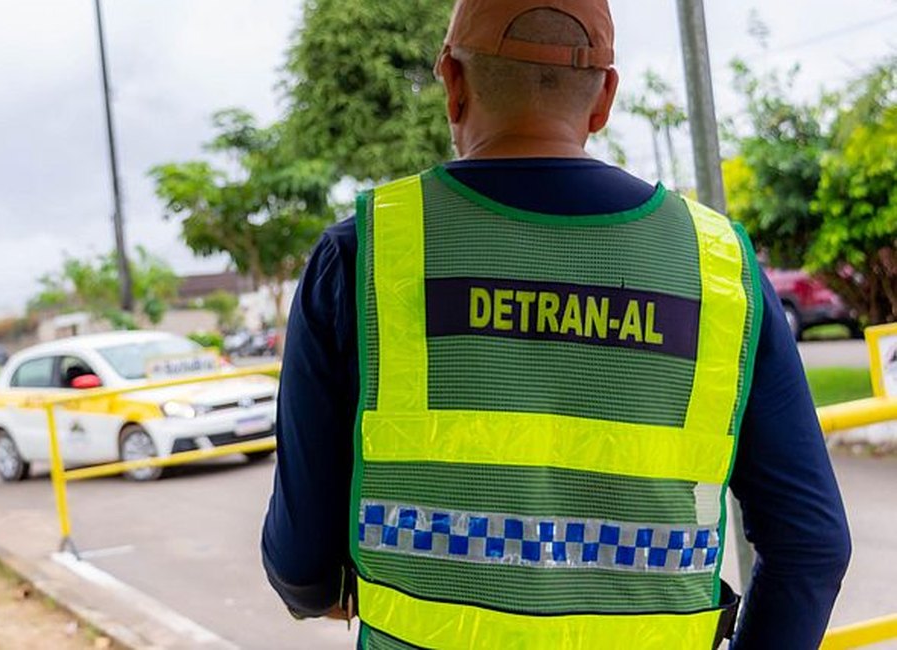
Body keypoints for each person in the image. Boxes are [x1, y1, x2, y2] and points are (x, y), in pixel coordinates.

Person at [262, 0, 851, 648]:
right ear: (604, 100)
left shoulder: (366, 258)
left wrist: (321, 590)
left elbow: (302, 562)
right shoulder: (719, 273)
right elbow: (811, 548)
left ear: (453, 84)